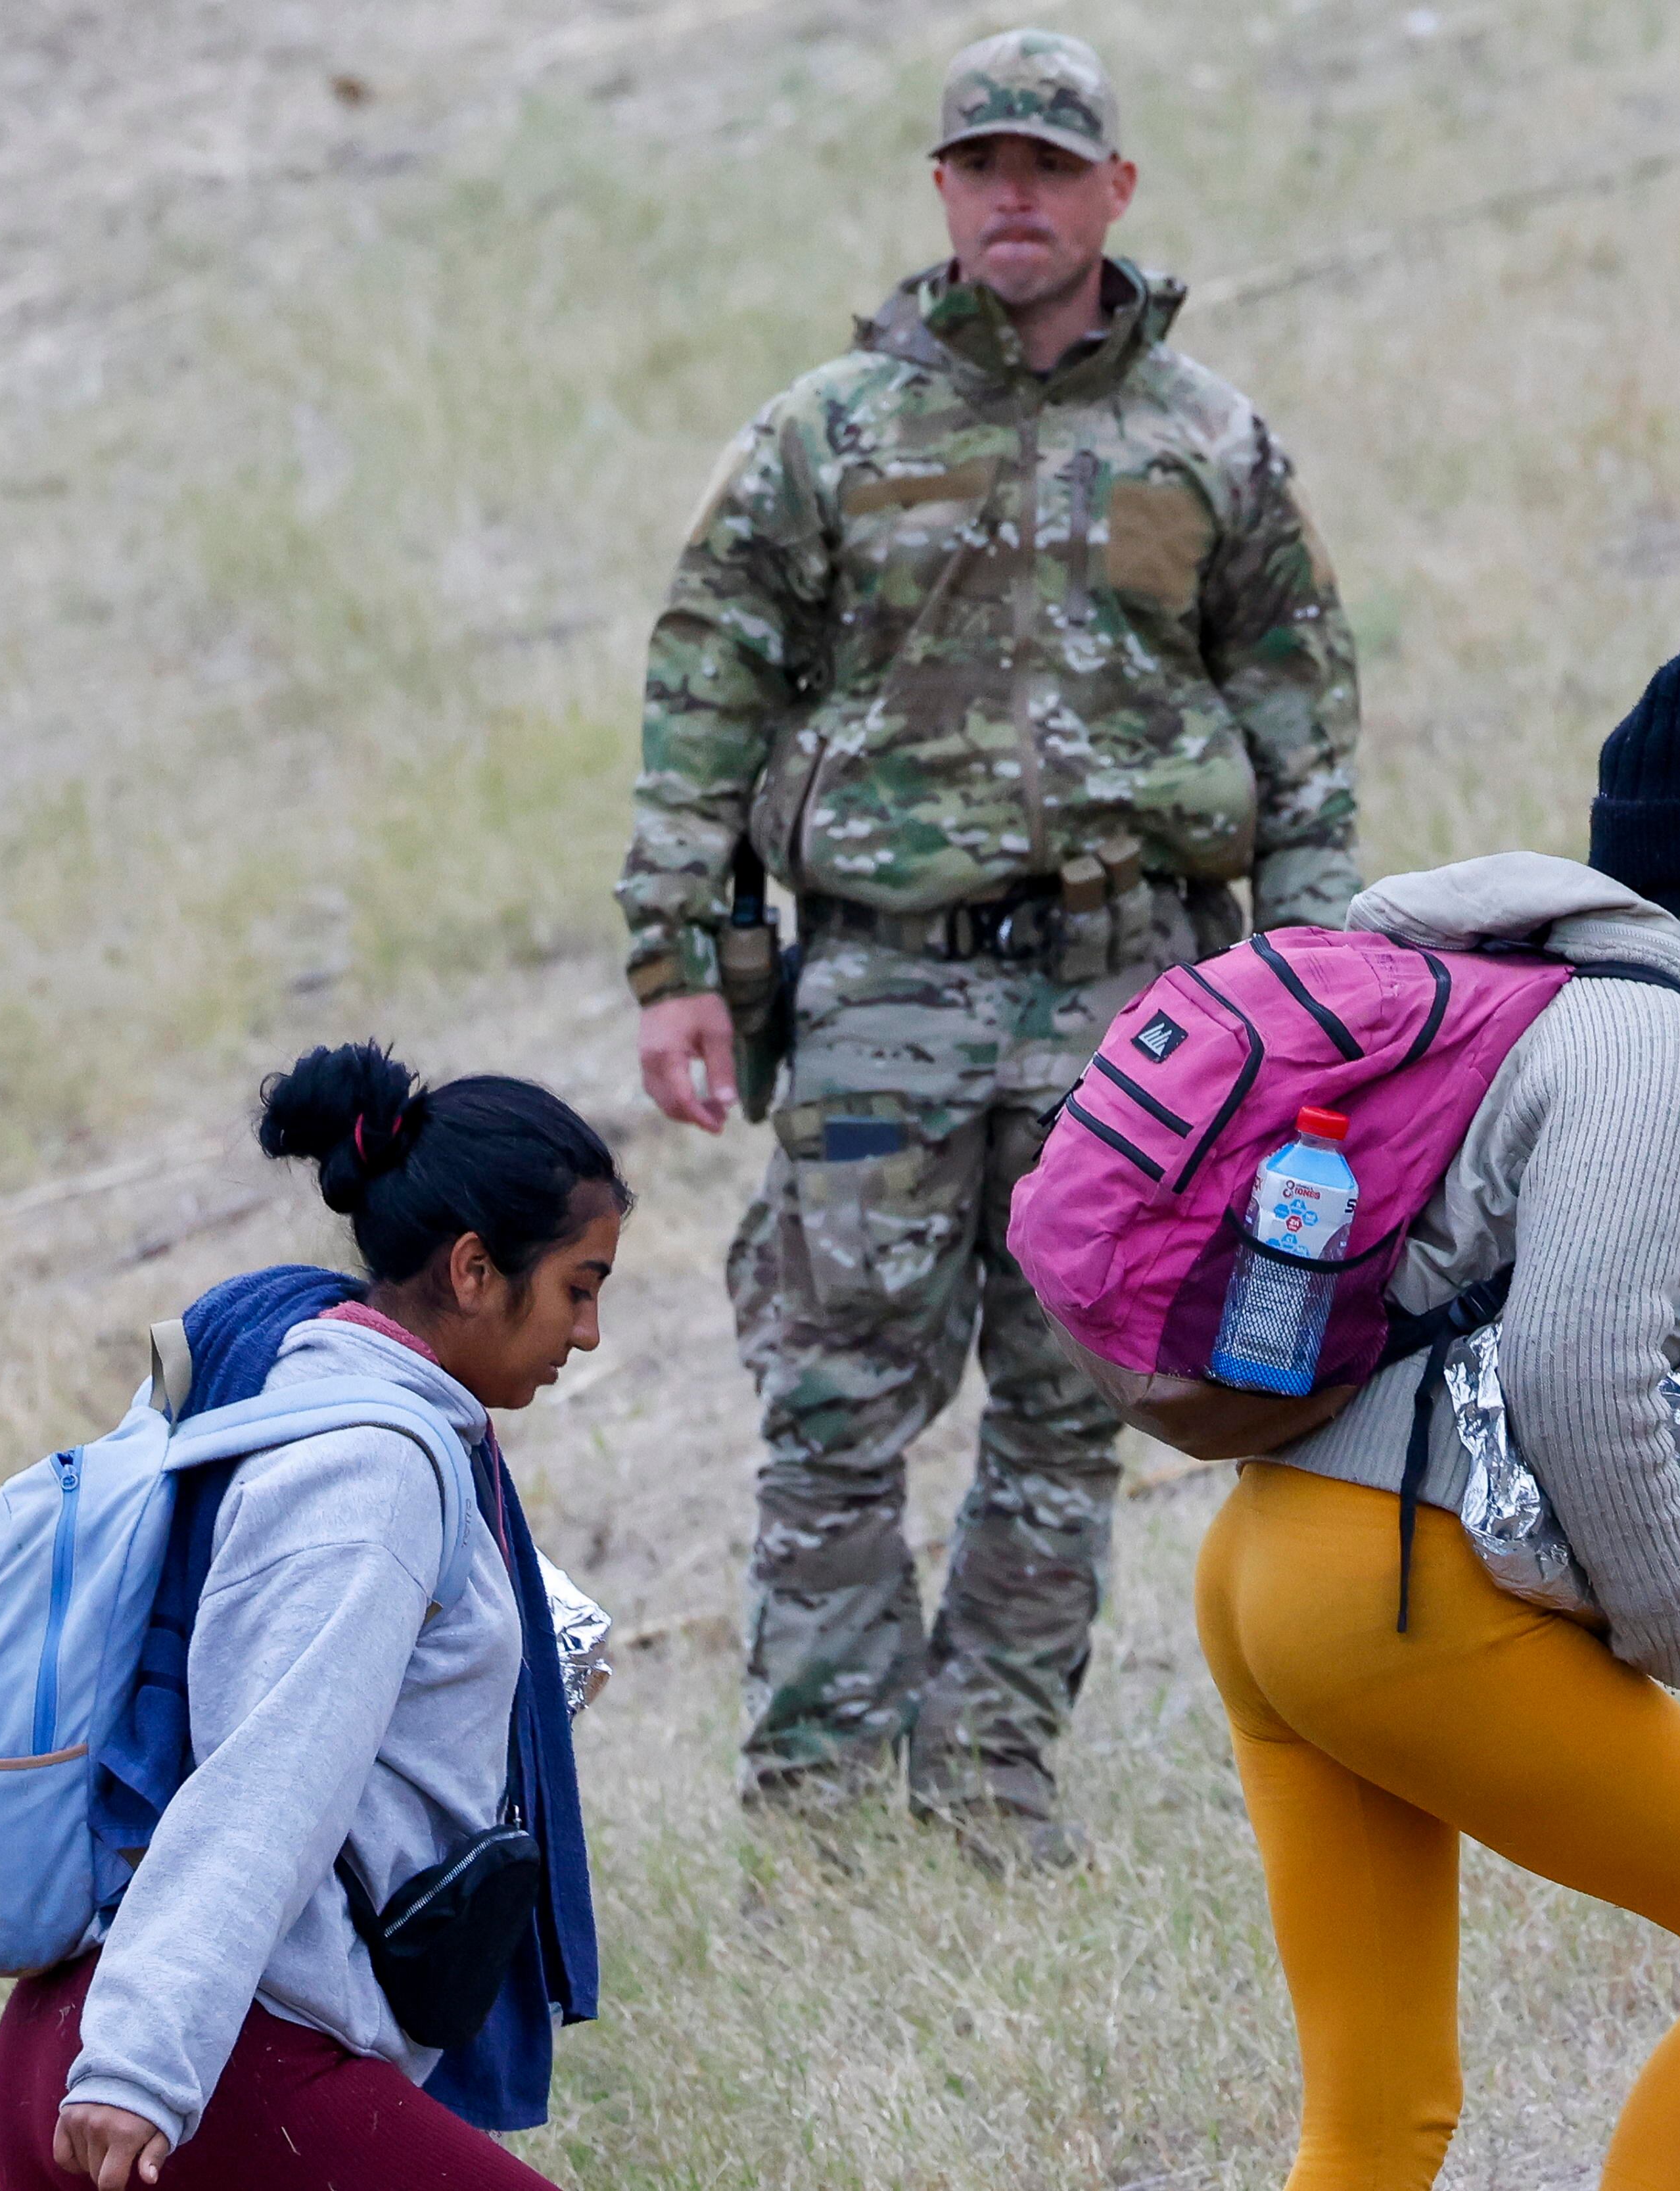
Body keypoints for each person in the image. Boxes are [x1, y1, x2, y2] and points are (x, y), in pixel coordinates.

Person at [617, 28, 1361, 1857]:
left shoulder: (1208, 439)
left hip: (1140, 998)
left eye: (1047, 165)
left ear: (1116, 191)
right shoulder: (826, 434)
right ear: (941, 194)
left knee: (1075, 1395)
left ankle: (988, 1788)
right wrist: (675, 959)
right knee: (832, 1399)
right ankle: (820, 1810)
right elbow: (703, 691)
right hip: (881, 987)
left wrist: (1319, 997)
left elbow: (1303, 738)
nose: (1011, 195)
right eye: (978, 166)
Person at [1192, 619, 1680, 2191]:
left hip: (1271, 1567)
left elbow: (1609, 1357)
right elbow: (1576, 1365)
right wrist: (1670, 1613)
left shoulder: (1546, 999)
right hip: (1397, 1588)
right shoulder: (1660, 1044)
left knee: (1376, 2116)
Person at [0, 1043, 628, 2191]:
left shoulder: (288, 1382)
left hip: (96, 2033)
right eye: (580, 1286)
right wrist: (142, 2064)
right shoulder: (367, 1471)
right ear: (476, 1268)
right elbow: (268, 1777)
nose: (588, 1332)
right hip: (204, 2065)